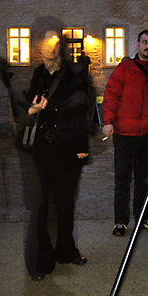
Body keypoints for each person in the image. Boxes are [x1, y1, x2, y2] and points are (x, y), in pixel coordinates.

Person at [22, 30, 91, 280]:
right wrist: (33, 107)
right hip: (41, 148)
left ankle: (66, 250)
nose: (50, 48)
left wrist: (82, 145)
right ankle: (43, 260)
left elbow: (83, 111)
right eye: (45, 43)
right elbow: (28, 108)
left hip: (67, 146)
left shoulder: (75, 73)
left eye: (54, 43)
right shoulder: (38, 74)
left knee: (64, 203)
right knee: (41, 206)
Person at [101, 30, 148, 236]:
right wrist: (107, 121)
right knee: (122, 178)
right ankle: (121, 221)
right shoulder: (124, 69)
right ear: (137, 44)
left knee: (144, 179)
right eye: (145, 42)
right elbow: (111, 95)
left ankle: (143, 217)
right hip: (125, 133)